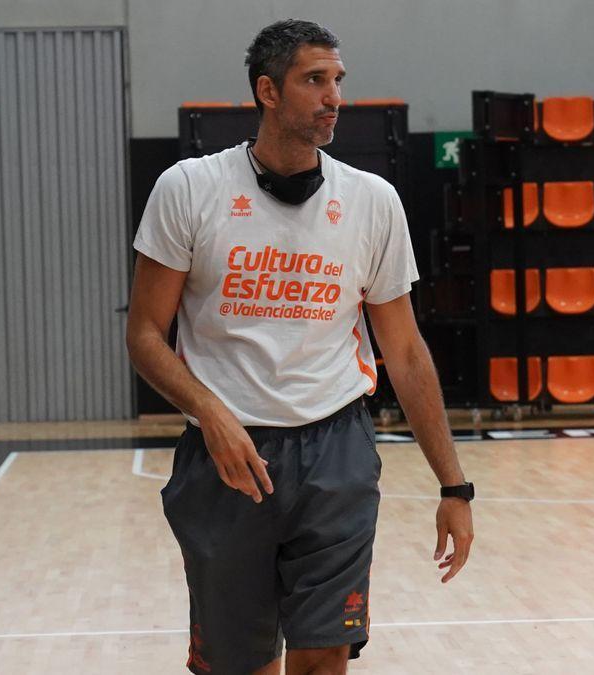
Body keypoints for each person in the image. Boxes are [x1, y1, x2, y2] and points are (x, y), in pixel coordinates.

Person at [125, 19, 474, 675]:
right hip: (227, 454)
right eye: (315, 80)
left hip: (335, 453)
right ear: (267, 90)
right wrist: (213, 414)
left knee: (322, 659)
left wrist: (454, 483)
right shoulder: (190, 188)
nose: (333, 96)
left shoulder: (373, 202)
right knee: (237, 665)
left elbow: (404, 350)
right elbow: (144, 335)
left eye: (337, 80)